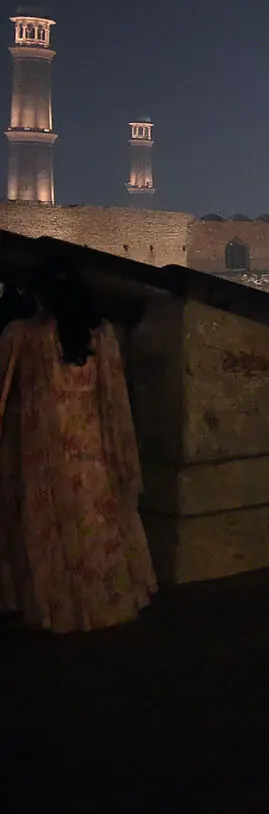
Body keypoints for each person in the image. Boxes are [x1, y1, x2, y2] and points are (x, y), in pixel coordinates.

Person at [0, 265, 157, 632]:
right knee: (97, 529)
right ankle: (105, 603)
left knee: (51, 536)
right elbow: (115, 398)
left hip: (42, 456)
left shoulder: (23, 336)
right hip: (94, 451)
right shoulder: (100, 337)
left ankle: (60, 611)